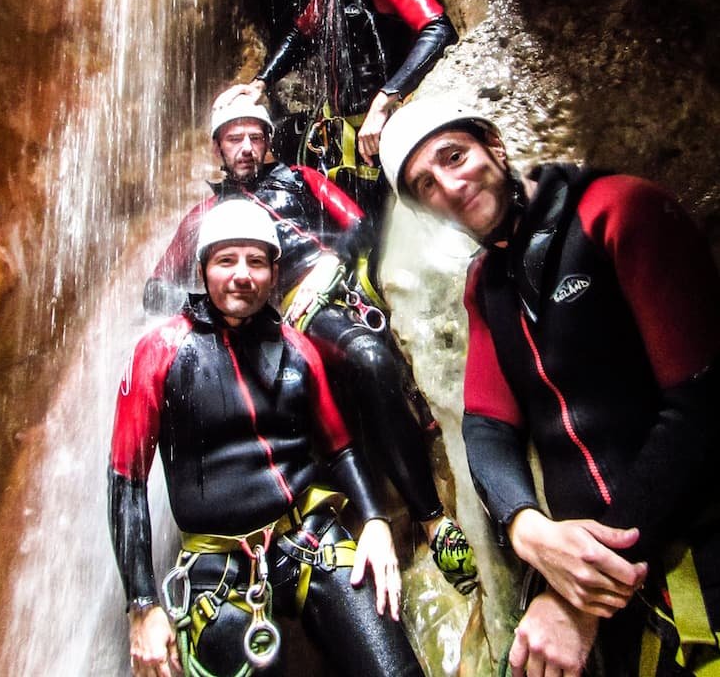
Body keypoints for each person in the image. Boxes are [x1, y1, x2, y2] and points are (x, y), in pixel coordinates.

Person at [379, 96, 720, 677]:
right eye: (426, 185)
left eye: (454, 156)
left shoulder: (618, 211)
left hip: (691, 551)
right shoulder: (487, 284)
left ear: (495, 143)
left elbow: (701, 402)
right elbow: (487, 428)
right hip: (594, 583)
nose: (450, 186)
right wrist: (525, 527)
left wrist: (580, 592)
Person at [143, 94, 478, 596]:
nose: (247, 148)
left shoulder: (302, 179)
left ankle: (432, 520)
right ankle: (427, 518)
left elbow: (360, 223)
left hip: (337, 288)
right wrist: (207, 317)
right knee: (364, 358)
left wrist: (332, 268)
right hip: (285, 317)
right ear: (218, 147)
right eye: (235, 139)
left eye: (255, 137)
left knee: (369, 356)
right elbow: (155, 289)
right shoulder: (205, 217)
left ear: (268, 141)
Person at [109, 199, 425, 677]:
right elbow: (127, 483)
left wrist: (376, 521)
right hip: (216, 567)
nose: (242, 275)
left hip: (309, 537)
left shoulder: (297, 349)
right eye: (226, 260)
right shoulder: (158, 353)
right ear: (202, 270)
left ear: (275, 273)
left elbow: (340, 448)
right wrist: (143, 605)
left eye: (256, 261)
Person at [218, 0, 457, 216]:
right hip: (342, 126)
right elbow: (303, 33)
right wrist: (261, 83)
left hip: (381, 125)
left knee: (375, 221)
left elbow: (438, 28)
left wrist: (386, 99)